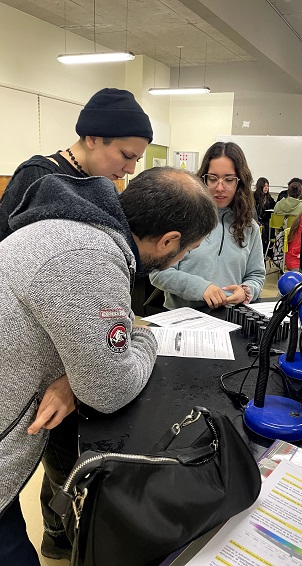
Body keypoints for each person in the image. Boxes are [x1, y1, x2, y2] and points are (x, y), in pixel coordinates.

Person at [0, 168, 217, 565]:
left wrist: (73, 376)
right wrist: (145, 334)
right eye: (186, 251)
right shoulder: (88, 261)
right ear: (169, 240)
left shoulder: (70, 227)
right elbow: (110, 390)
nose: (182, 258)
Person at [0, 87, 153, 242]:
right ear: (92, 139)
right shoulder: (38, 176)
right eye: (126, 156)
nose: (131, 169)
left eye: (137, 160)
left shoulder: (104, 187)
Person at [149, 141, 266, 310]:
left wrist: (246, 291)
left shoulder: (250, 227)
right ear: (202, 179)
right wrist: (200, 288)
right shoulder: (180, 218)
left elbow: (256, 275)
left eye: (229, 179)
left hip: (229, 318)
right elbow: (158, 273)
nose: (220, 187)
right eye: (212, 178)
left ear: (239, 182)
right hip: (183, 317)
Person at [254, 177, 276, 253]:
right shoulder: (254, 197)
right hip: (257, 220)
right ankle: (262, 250)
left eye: (267, 186)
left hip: (266, 219)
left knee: (271, 228)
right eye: (264, 186)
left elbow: (274, 206)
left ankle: (268, 251)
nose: (266, 188)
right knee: (263, 229)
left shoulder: (269, 198)